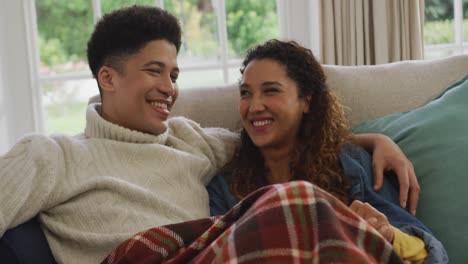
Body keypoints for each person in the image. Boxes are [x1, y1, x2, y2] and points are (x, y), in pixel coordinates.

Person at [0, 5, 421, 263]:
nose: (170, 88)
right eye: (154, 71)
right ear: (107, 78)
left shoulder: (190, 139)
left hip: (211, 255)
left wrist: (374, 141)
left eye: (174, 74)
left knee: (303, 204)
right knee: (293, 201)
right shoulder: (51, 154)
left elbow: (280, 135)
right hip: (141, 256)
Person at [207, 40, 447, 263]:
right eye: (246, 93)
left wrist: (387, 234)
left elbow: (432, 252)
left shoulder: (353, 166)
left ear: (307, 101)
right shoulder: (225, 189)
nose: (255, 106)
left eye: (271, 91)